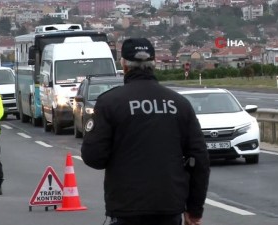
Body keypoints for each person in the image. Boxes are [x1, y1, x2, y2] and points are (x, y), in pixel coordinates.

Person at [81, 38, 210, 225]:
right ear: (154, 64)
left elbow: (93, 157)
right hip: (169, 206)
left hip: (126, 206)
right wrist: (194, 209)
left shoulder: (110, 103)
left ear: (123, 65)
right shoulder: (180, 104)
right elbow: (200, 160)